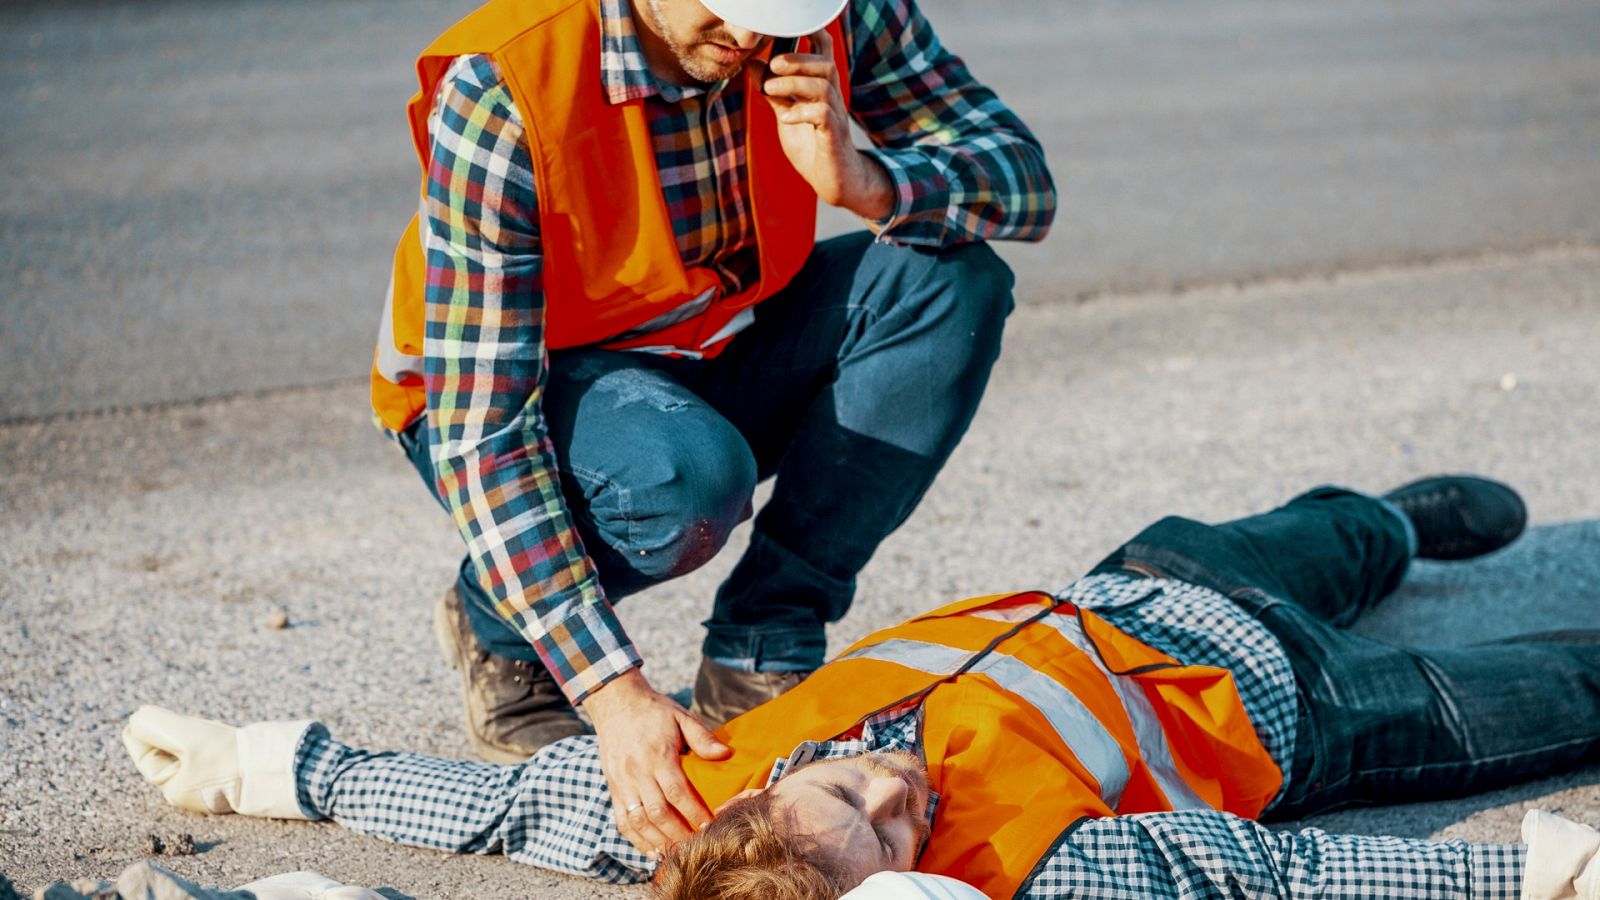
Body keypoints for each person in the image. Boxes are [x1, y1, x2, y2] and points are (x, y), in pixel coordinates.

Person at [123, 475, 1600, 898]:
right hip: (1310, 705)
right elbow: (1263, 883)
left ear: (764, 788)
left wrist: (266, 769)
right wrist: (1529, 880)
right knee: (1560, 688)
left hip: (1133, 583)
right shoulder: (1033, 868)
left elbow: (495, 811)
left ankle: (1396, 525)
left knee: (1333, 525)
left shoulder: (680, 804)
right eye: (891, 839)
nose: (901, 796)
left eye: (853, 792)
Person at [365, 0, 1054, 856]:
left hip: (714, 345)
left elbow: (1026, 181)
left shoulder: (833, 14)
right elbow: (486, 429)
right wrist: (612, 693)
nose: (758, 41)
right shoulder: (504, 85)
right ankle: (498, 623)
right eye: (734, 9)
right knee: (684, 485)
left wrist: (870, 182)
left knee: (950, 283)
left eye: (780, 15)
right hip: (509, 390)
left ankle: (759, 643)